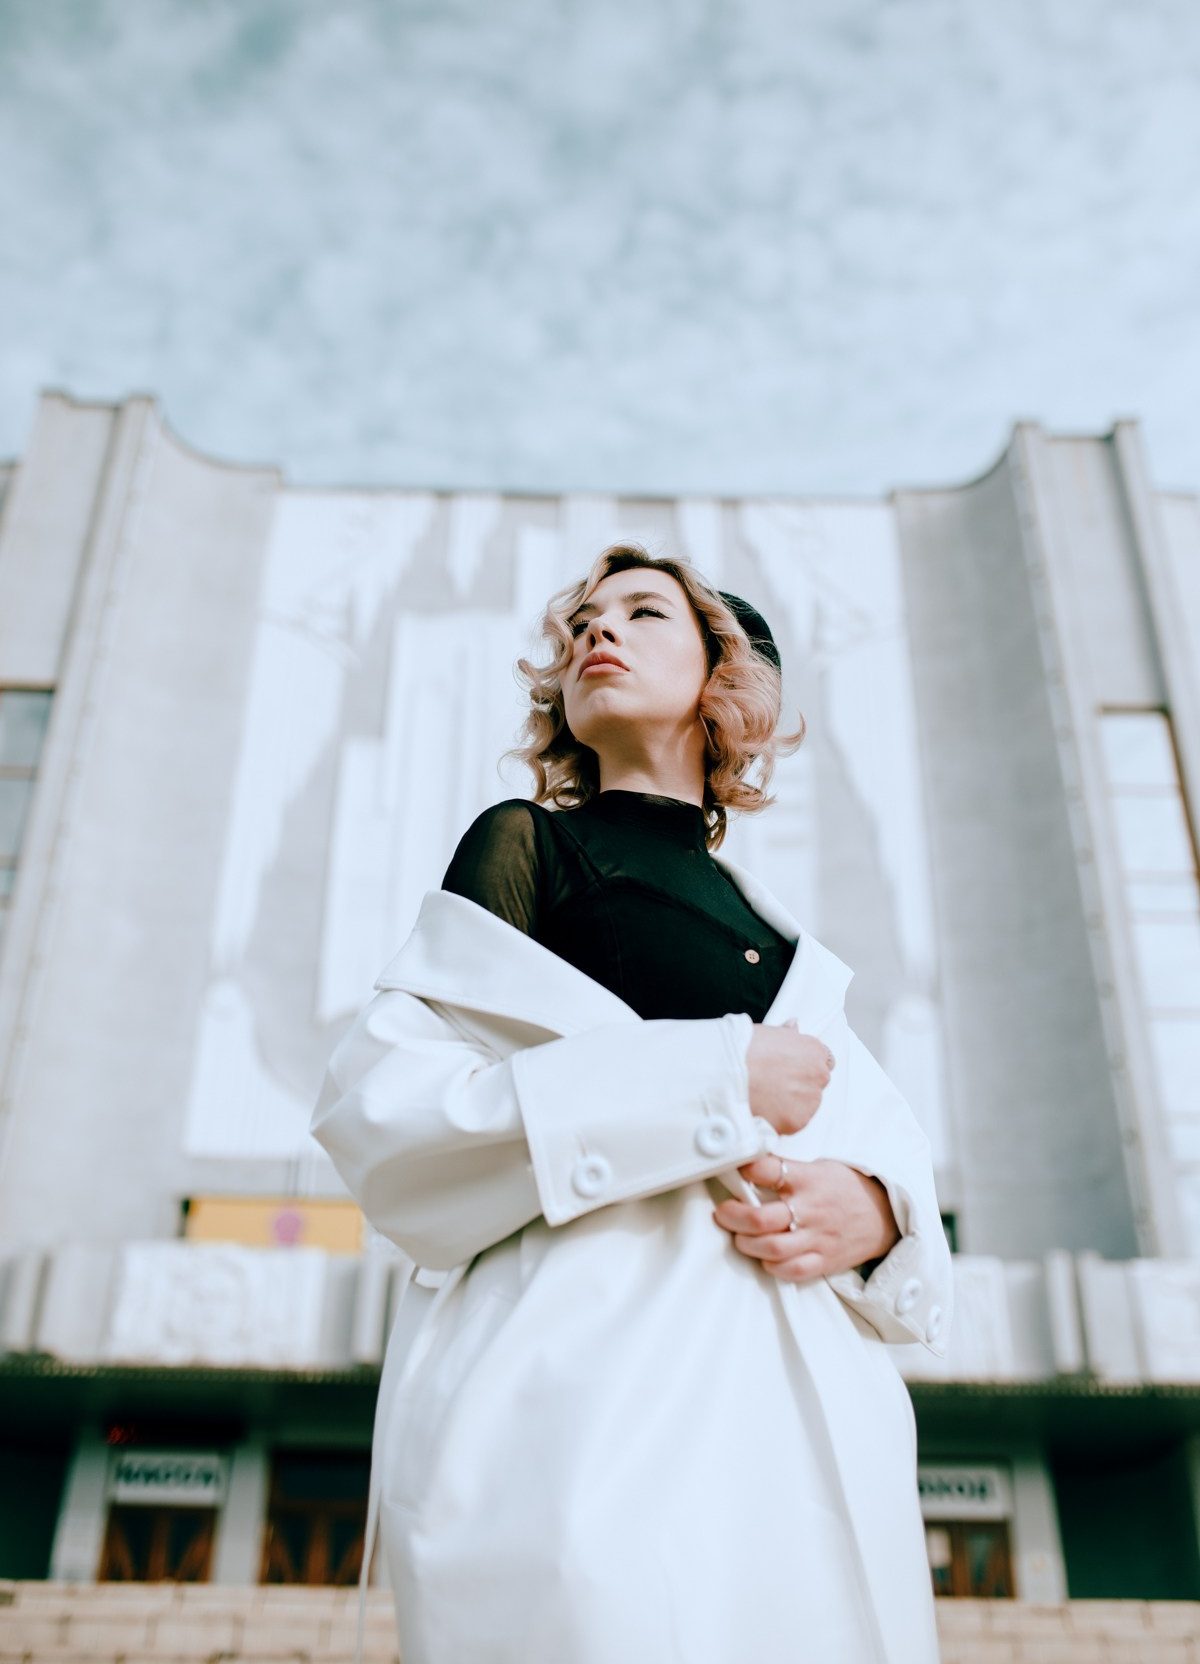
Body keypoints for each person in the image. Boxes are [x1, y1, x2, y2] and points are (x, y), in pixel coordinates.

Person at [310, 541, 953, 1664]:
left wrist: (875, 1215)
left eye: (644, 613)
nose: (596, 632)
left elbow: (896, 1186)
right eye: (582, 624)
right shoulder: (526, 848)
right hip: (583, 1418)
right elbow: (384, 1112)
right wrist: (711, 1083)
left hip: (800, 1466)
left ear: (724, 677)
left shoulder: (797, 958)